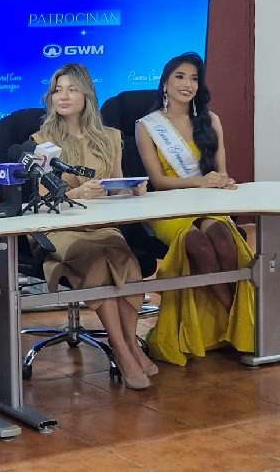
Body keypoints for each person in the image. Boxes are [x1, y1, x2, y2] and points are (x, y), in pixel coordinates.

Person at [30, 63, 154, 389]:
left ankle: (129, 343)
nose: (63, 96)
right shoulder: (42, 142)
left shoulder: (110, 138)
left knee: (127, 263)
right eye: (57, 90)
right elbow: (40, 198)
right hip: (60, 228)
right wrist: (76, 193)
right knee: (97, 263)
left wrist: (131, 189)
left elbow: (115, 186)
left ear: (87, 95)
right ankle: (122, 350)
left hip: (101, 225)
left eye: (72, 89)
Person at [135, 52, 255, 366]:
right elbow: (158, 181)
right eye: (180, 76)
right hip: (169, 208)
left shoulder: (210, 121)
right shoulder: (147, 126)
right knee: (197, 243)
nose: (187, 84)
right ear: (165, 82)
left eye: (193, 78)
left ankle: (239, 325)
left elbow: (222, 172)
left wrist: (221, 181)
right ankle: (237, 323)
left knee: (222, 237)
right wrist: (199, 181)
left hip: (208, 203)